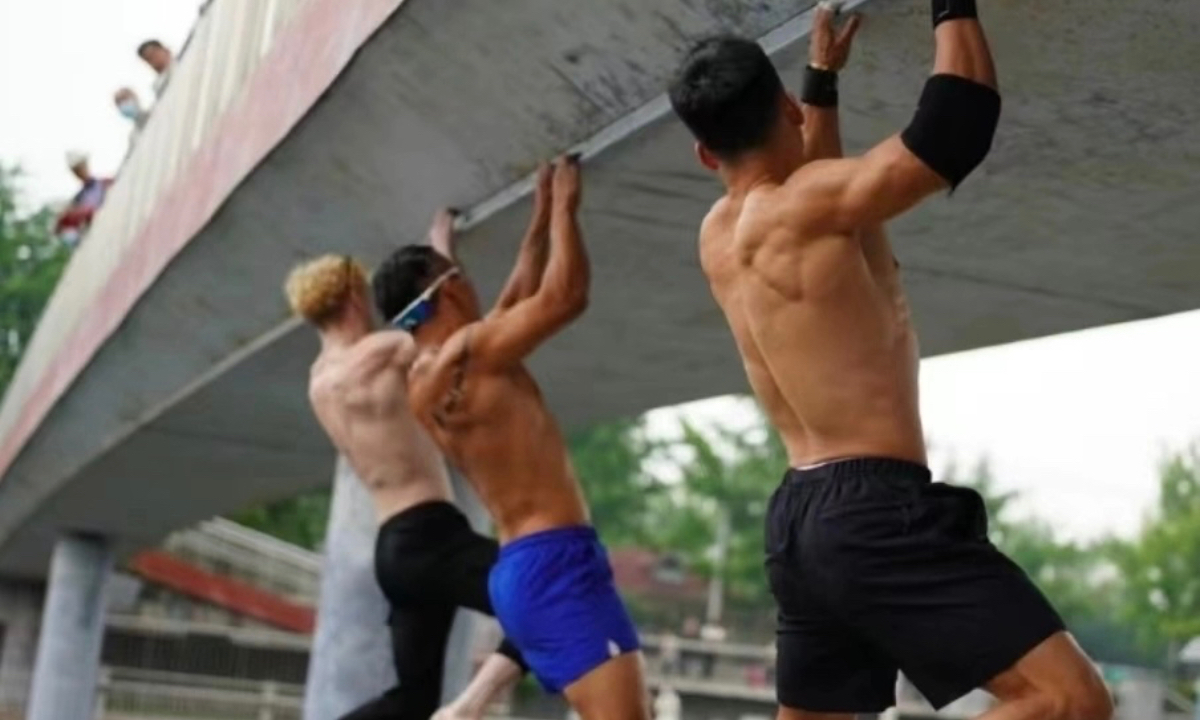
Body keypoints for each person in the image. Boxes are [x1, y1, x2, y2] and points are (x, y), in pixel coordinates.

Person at [667, 2, 1114, 719]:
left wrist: (822, 80)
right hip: (875, 510)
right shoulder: (809, 206)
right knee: (1069, 700)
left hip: (799, 523)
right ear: (780, 105)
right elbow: (955, 126)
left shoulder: (718, 234)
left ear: (704, 153)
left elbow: (818, 190)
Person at [372, 157, 649, 719]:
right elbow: (564, 296)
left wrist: (542, 213)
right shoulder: (471, 353)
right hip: (556, 566)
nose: (474, 288)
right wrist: (569, 208)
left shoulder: (429, 378)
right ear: (446, 294)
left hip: (524, 569)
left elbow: (514, 300)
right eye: (462, 278)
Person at [285, 241, 527, 720]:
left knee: (412, 701)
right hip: (431, 533)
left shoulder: (319, 383)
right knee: (546, 592)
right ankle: (470, 708)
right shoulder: (377, 354)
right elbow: (443, 325)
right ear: (356, 298)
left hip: (394, 551)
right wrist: (440, 247)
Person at [54, 151, 112, 247]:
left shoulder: (104, 183)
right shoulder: (77, 201)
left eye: (80, 167)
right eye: (76, 170)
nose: (79, 172)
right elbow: (58, 228)